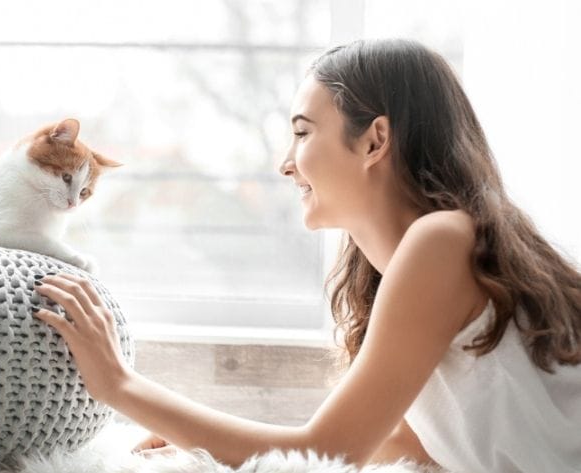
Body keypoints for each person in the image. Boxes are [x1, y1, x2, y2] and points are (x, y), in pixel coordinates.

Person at [30, 39, 581, 472]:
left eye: (302, 132)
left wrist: (119, 385)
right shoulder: (435, 256)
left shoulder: (441, 241)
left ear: (374, 141)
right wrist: (192, 437)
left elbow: (326, 453)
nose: (286, 164)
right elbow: (399, 444)